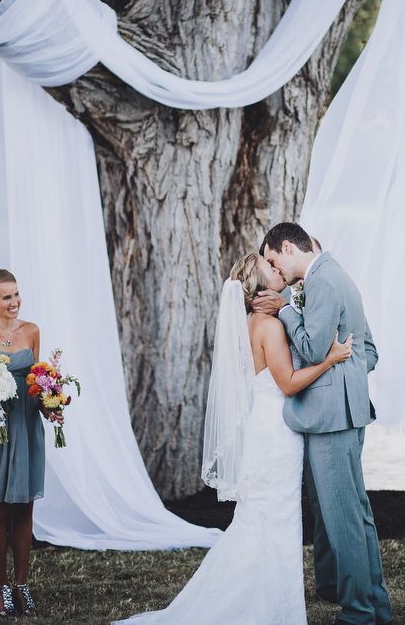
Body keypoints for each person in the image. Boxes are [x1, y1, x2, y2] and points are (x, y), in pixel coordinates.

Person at [114, 252, 353, 624]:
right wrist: (330, 359)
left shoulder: (251, 322)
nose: (278, 271)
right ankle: (270, 608)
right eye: (270, 270)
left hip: (266, 430)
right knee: (276, 518)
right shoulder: (270, 327)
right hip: (275, 435)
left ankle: (269, 605)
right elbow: (288, 384)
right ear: (260, 288)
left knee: (262, 520)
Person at [255, 222, 392, 625]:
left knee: (342, 518)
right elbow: (368, 350)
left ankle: (358, 613)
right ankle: (375, 607)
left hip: (332, 419)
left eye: (272, 259)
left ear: (285, 247)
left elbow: (314, 349)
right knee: (356, 514)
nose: (272, 270)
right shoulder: (336, 275)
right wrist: (347, 381)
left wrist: (283, 311)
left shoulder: (322, 283)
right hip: (344, 414)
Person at [0, 269, 53, 617]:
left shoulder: (32, 331)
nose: (15, 302)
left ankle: (22, 585)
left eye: (16, 294)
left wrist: (53, 404)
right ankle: (2, 586)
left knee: (25, 507)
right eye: (6, 297)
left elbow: (38, 379)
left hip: (26, 424)